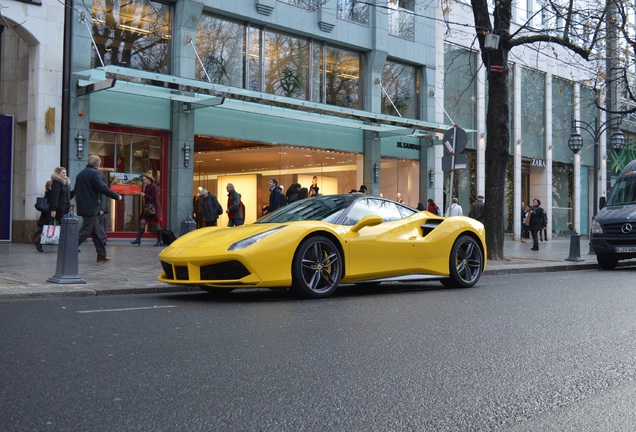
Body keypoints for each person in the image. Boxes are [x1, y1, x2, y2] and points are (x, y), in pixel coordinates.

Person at [75, 154, 122, 262]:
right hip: (91, 207)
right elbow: (103, 188)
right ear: (97, 164)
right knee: (86, 230)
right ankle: (68, 249)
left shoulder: (80, 174)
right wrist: (116, 196)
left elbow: (76, 190)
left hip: (84, 206)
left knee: (96, 232)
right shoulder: (95, 174)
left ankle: (101, 255)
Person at [130, 173, 163, 246]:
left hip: (153, 208)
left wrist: (145, 195)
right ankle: (138, 239)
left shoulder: (153, 187)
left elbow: (154, 198)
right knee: (142, 222)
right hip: (148, 208)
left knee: (156, 224)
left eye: (145, 180)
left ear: (149, 179)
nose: (144, 181)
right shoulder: (147, 186)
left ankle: (159, 240)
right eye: (143, 180)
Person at [32, 180, 53, 252]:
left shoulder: (47, 192)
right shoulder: (50, 193)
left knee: (45, 228)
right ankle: (37, 241)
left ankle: (36, 238)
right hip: (48, 214)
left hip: (46, 214)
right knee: (46, 228)